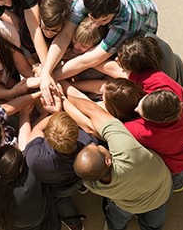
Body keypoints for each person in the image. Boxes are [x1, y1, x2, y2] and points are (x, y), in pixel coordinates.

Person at [40, 0, 158, 105]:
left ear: (115, 10)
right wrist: (46, 72)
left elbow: (90, 59)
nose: (96, 24)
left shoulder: (126, 22)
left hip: (142, 27)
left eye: (103, 20)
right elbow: (65, 34)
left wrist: (48, 78)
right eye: (92, 18)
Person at [65, 94, 172, 230]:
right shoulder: (127, 151)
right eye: (99, 148)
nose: (100, 145)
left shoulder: (92, 184)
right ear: (108, 161)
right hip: (159, 194)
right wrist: (65, 95)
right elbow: (95, 111)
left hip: (127, 205)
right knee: (154, 221)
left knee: (117, 219)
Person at [116, 40, 183, 191]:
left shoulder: (143, 132)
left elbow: (109, 125)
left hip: (181, 164)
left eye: (140, 110)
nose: (137, 108)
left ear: (151, 120)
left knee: (175, 182)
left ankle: (176, 186)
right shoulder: (169, 90)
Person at [0, 145, 60, 230]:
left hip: (4, 225)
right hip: (37, 223)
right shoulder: (29, 182)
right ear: (20, 168)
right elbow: (32, 157)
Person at [97, 34, 183, 91]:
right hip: (179, 67)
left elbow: (111, 69)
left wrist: (88, 61)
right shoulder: (151, 39)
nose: (116, 59)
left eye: (122, 65)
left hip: (176, 85)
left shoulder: (146, 80)